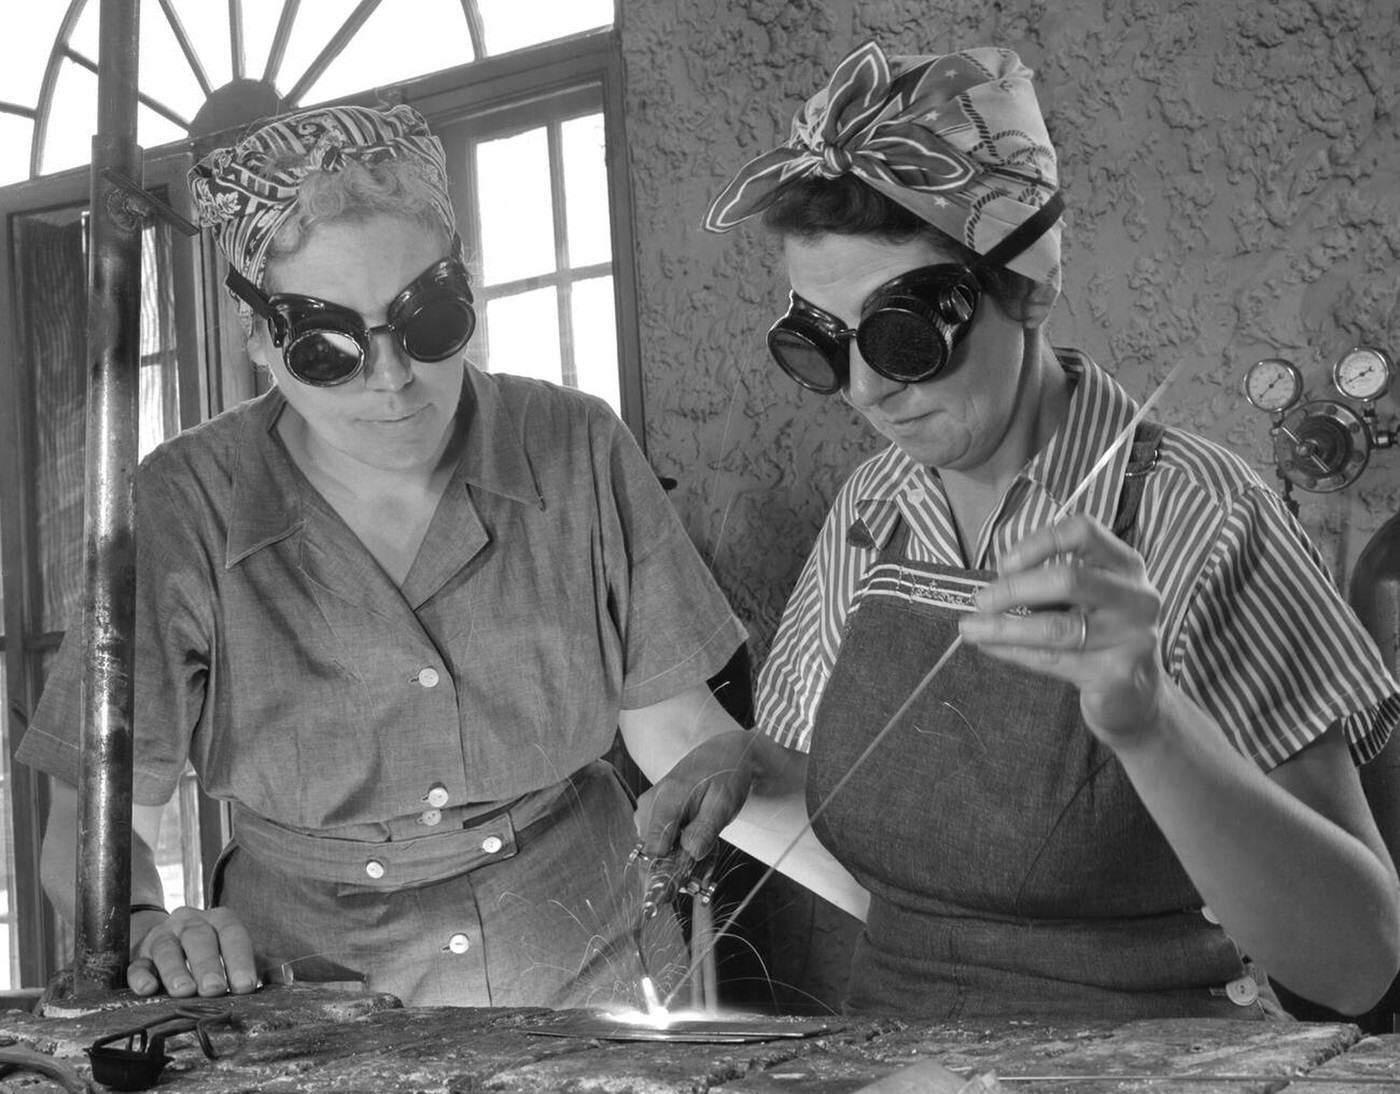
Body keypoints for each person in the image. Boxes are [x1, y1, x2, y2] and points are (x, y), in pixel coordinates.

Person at [637, 41, 1400, 1021]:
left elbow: (1362, 960)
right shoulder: (875, 507)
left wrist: (1147, 719)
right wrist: (745, 762)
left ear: (1026, 286)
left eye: (901, 334)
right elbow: (868, 793)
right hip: (904, 1050)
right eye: (821, 346)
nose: (865, 392)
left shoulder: (1196, 513)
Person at [20, 102, 749, 1009]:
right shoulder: (187, 507)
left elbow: (676, 733)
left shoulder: (575, 445)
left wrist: (727, 769)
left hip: (586, 964)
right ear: (259, 339)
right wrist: (145, 928)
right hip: (311, 1000)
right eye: (330, 348)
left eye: (430, 320)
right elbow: (91, 827)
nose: (393, 376)